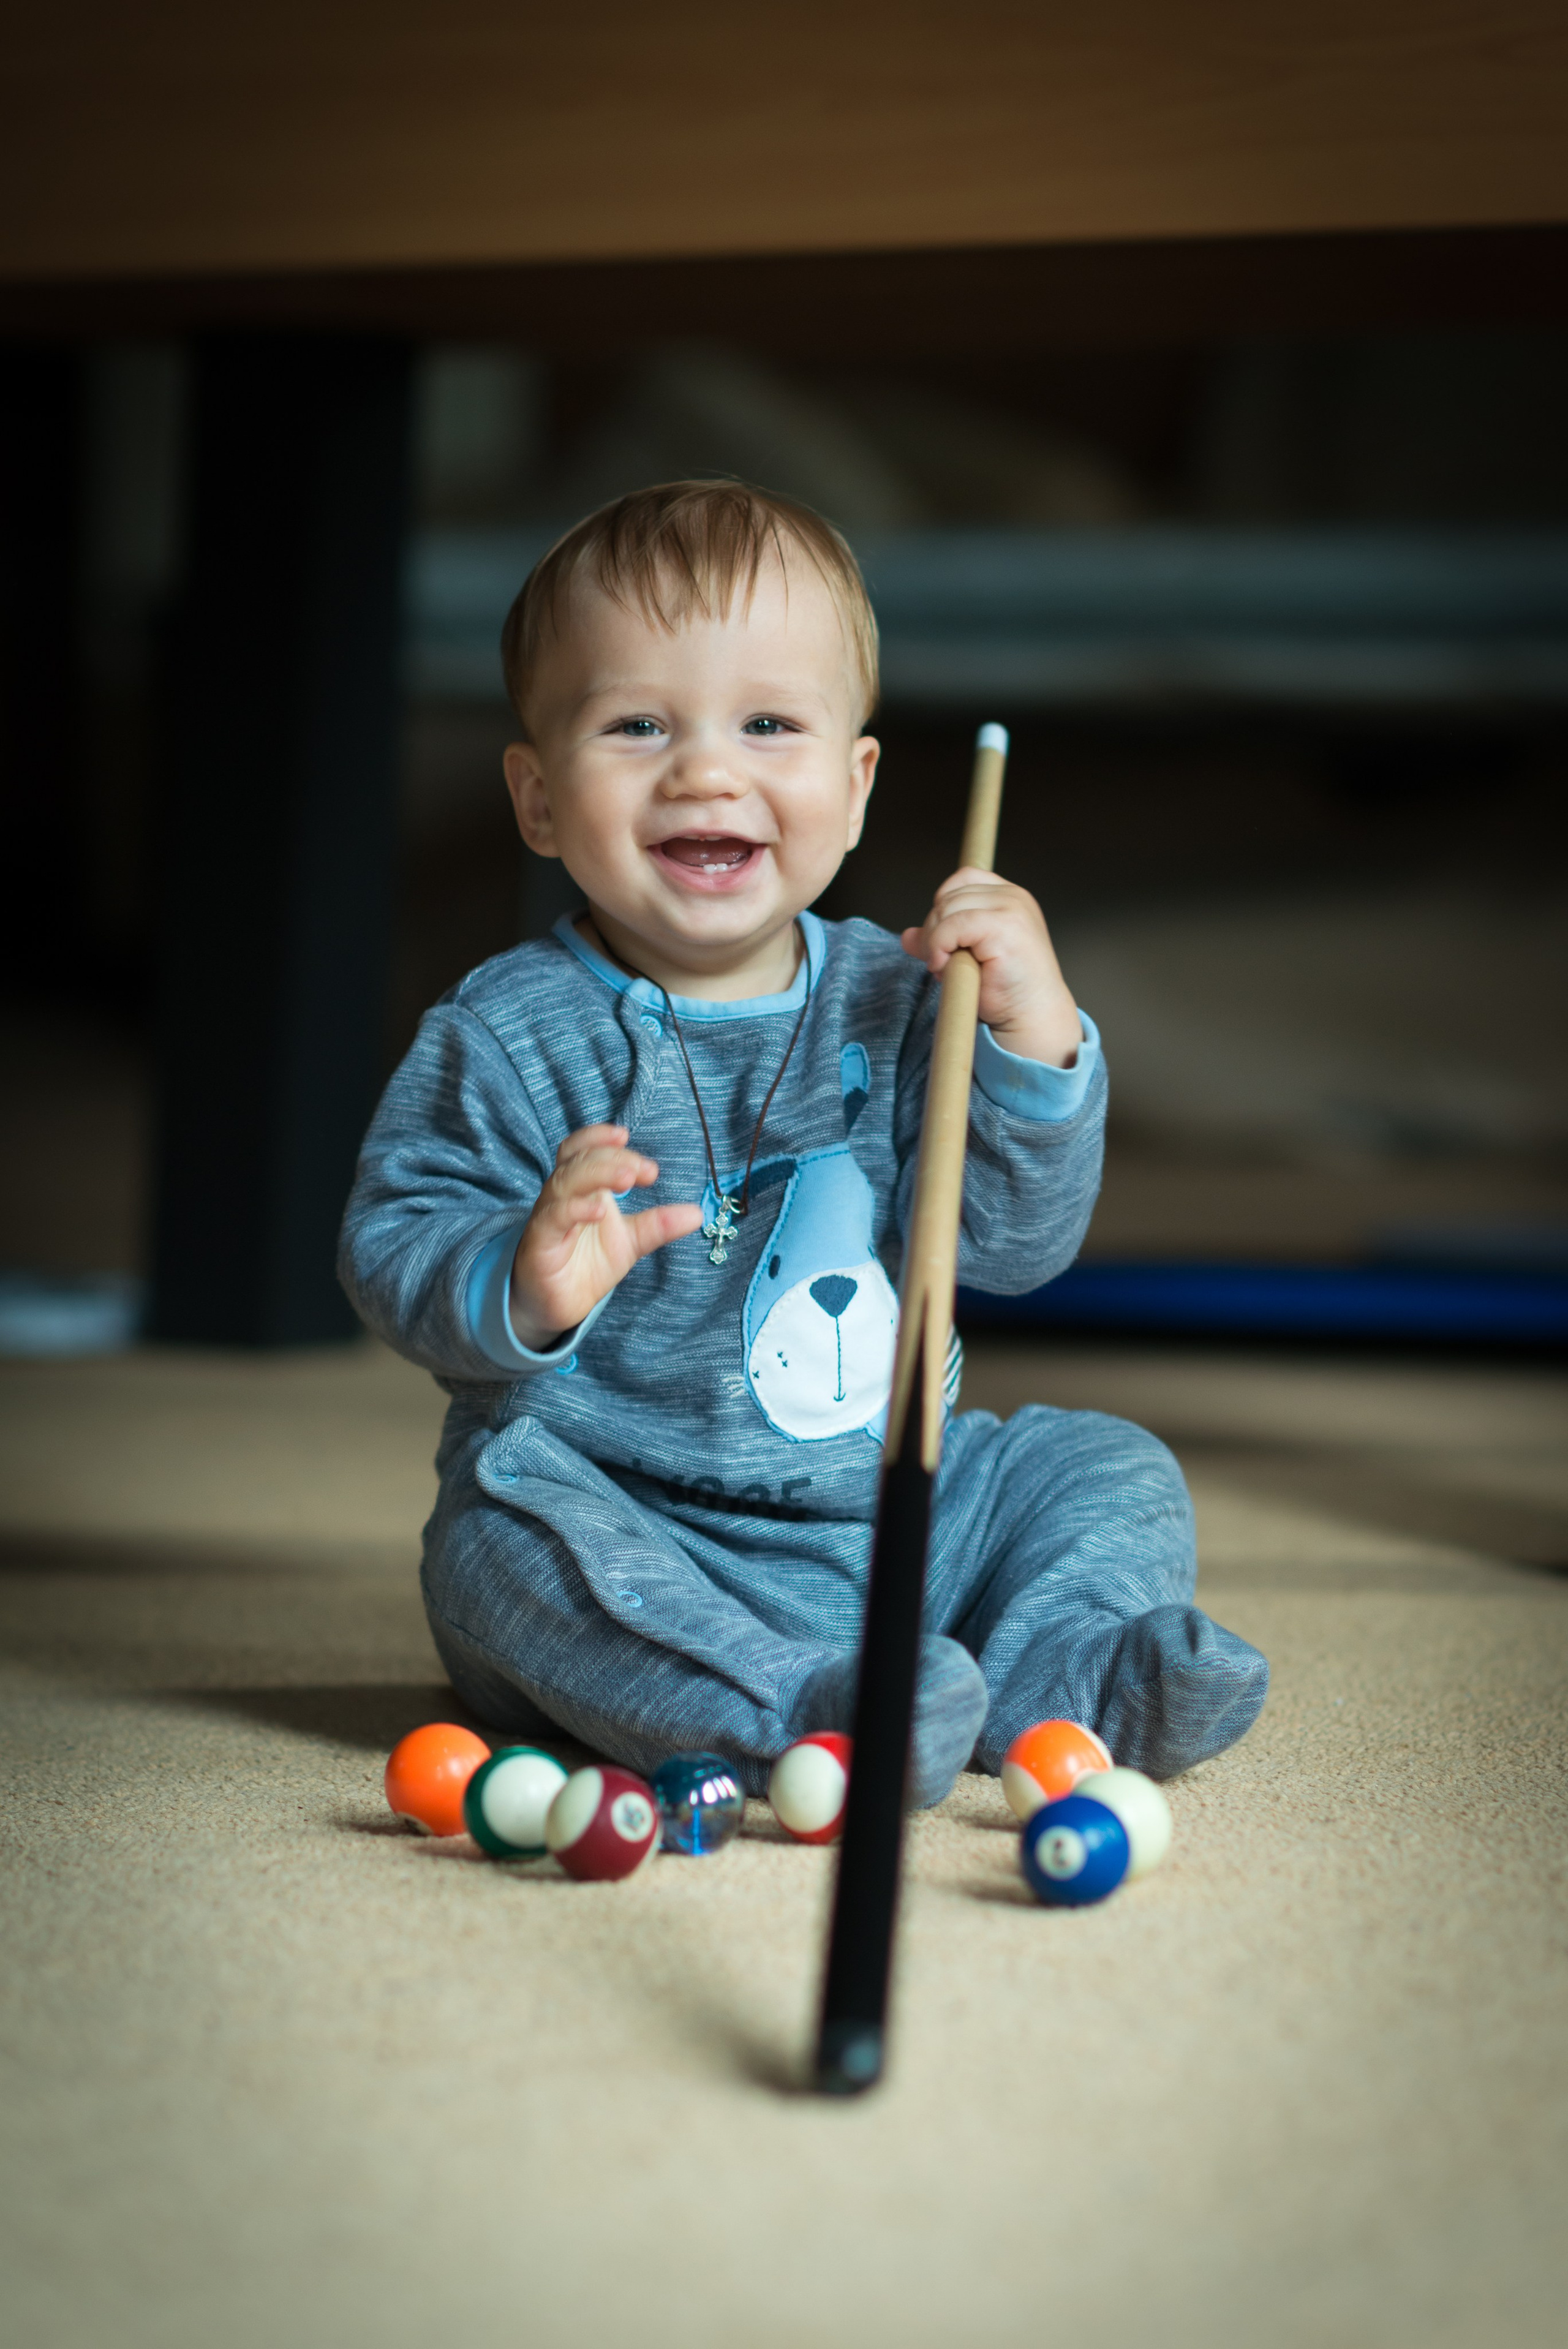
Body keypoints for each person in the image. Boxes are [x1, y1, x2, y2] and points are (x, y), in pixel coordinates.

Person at [339, 479, 1267, 1803]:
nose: (706, 771)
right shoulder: (506, 1031)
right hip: (628, 1522)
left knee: (1104, 1465)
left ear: (855, 785)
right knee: (500, 1541)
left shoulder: (909, 997)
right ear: (537, 799)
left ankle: (1057, 1670)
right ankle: (797, 1712)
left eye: (768, 724)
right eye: (637, 725)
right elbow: (391, 1240)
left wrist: (1035, 1038)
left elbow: (1014, 1250)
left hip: (898, 1514)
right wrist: (517, 1279)